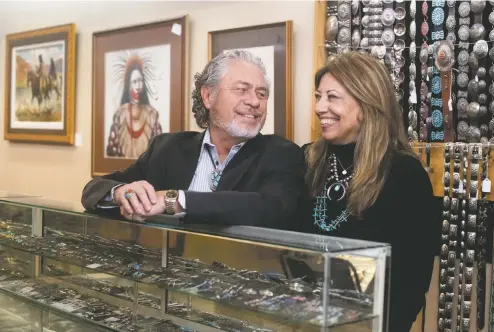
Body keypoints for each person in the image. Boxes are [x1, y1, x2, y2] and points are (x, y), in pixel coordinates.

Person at [82, 49, 304, 229]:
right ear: (208, 96)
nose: (254, 102)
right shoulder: (168, 148)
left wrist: (174, 200)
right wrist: (122, 192)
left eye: (262, 94)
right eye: (242, 90)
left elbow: (269, 208)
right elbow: (95, 188)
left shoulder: (281, 153)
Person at [297, 51, 440, 332]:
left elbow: (411, 280)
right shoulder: (307, 160)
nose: (319, 107)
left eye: (332, 97)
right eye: (318, 96)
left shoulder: (403, 174)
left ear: (366, 104)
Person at [106, 56, 162, 159]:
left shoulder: (152, 115)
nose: (138, 86)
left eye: (140, 81)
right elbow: (111, 152)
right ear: (128, 85)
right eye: (134, 82)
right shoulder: (119, 115)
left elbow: (159, 153)